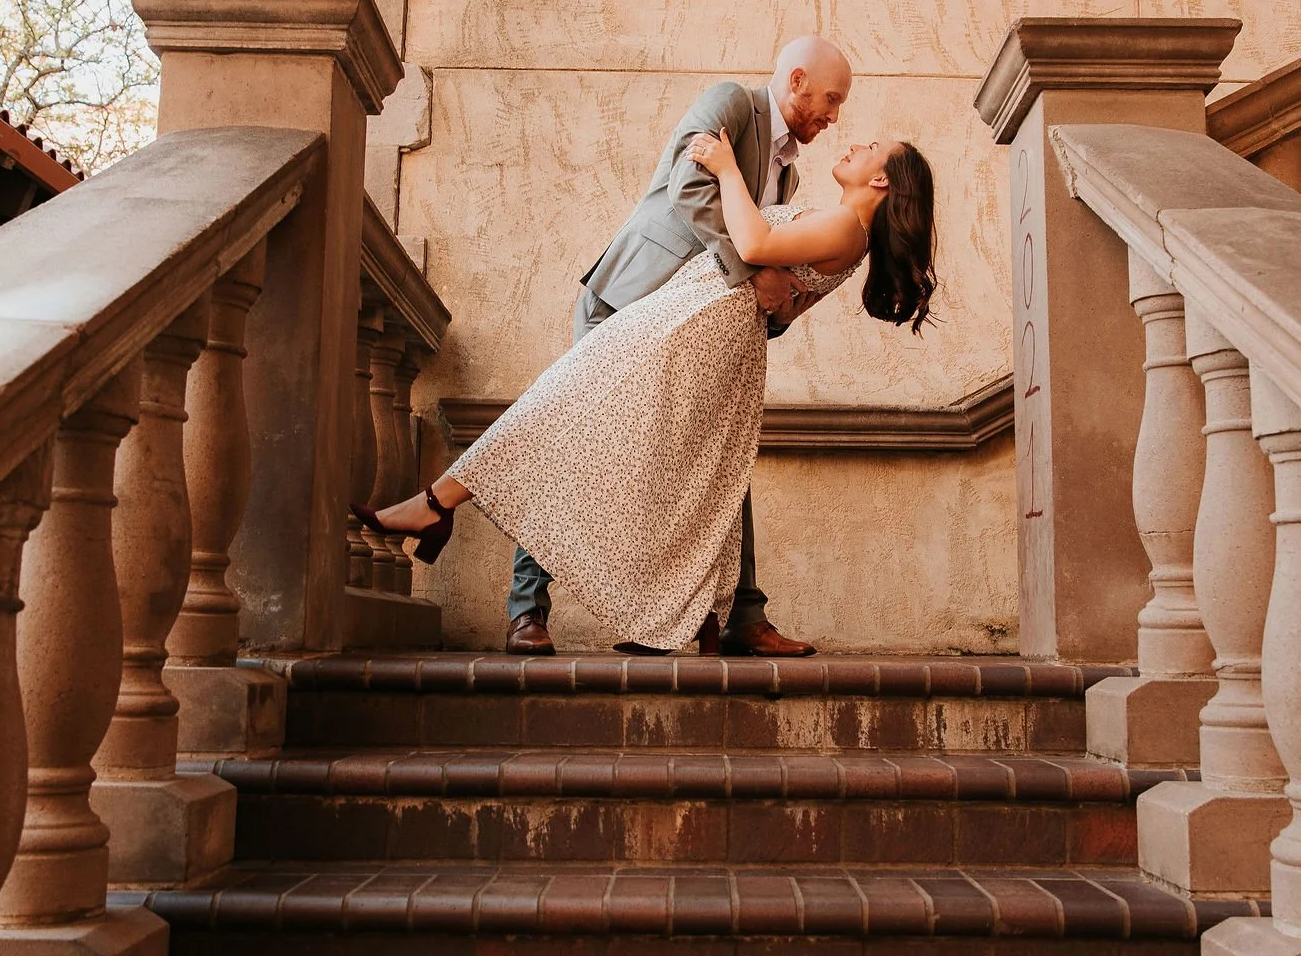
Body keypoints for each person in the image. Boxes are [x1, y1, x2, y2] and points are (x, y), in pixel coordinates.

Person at [353, 95, 939, 656]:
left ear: (883, 181)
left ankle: (436, 505)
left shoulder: (844, 229)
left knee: (559, 409)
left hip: (694, 328)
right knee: (661, 464)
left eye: (871, 147)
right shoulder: (847, 234)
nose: (855, 142)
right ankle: (689, 617)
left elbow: (754, 240)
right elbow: (781, 300)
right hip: (698, 323)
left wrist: (728, 169)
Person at [493, 36, 853, 656]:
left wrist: (777, 302)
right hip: (628, 300)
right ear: (796, 80)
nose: (834, 115)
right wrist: (754, 273)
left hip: (693, 331)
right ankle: (527, 609)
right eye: (830, 99)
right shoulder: (731, 104)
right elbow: (689, 193)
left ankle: (742, 613)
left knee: (723, 458)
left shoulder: (788, 170)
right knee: (573, 444)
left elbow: (757, 243)